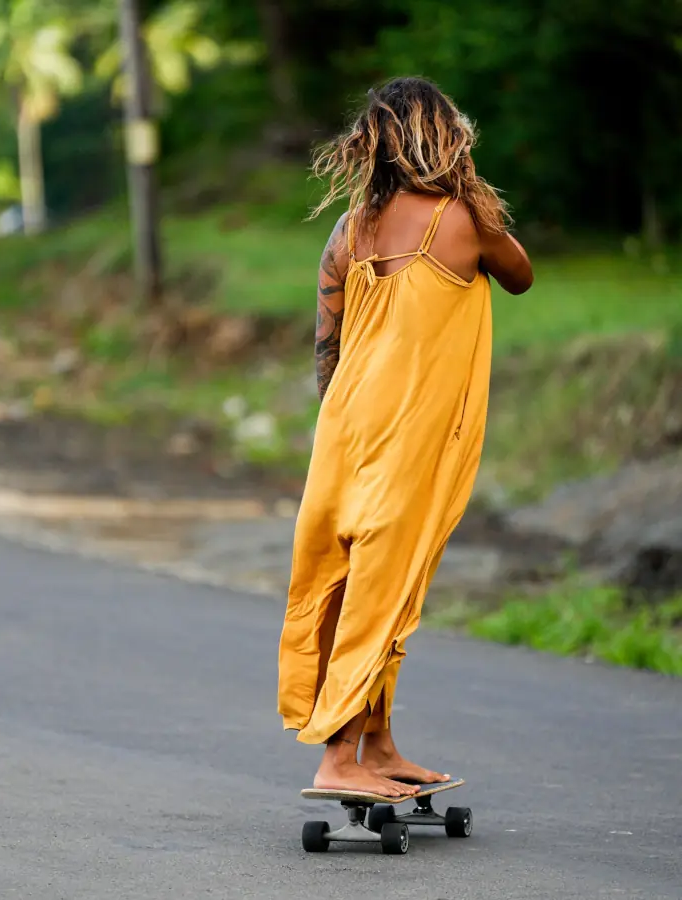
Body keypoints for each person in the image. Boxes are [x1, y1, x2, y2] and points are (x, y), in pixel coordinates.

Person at [277, 76, 533, 799]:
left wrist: (347, 428)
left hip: (346, 428)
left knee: (353, 581)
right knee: (381, 589)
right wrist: (473, 194)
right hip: (409, 436)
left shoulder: (348, 230)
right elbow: (520, 276)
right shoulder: (463, 222)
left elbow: (326, 348)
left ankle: (378, 743)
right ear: (445, 138)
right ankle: (337, 758)